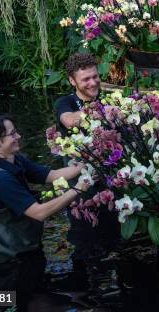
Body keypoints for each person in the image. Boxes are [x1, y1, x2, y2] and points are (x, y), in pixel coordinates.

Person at [0, 114, 89, 311]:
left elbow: (51, 175)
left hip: (29, 252)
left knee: (39, 300)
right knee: (35, 304)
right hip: (11, 265)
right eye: (12, 134)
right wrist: (78, 189)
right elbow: (38, 213)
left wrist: (85, 164)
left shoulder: (15, 160)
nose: (18, 136)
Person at [54, 52, 119, 276]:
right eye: (85, 79)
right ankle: (84, 286)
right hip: (80, 183)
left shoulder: (108, 99)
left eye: (94, 77)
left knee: (113, 232)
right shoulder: (65, 102)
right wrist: (100, 110)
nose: (92, 83)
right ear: (73, 81)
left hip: (109, 177)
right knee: (83, 235)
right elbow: (69, 120)